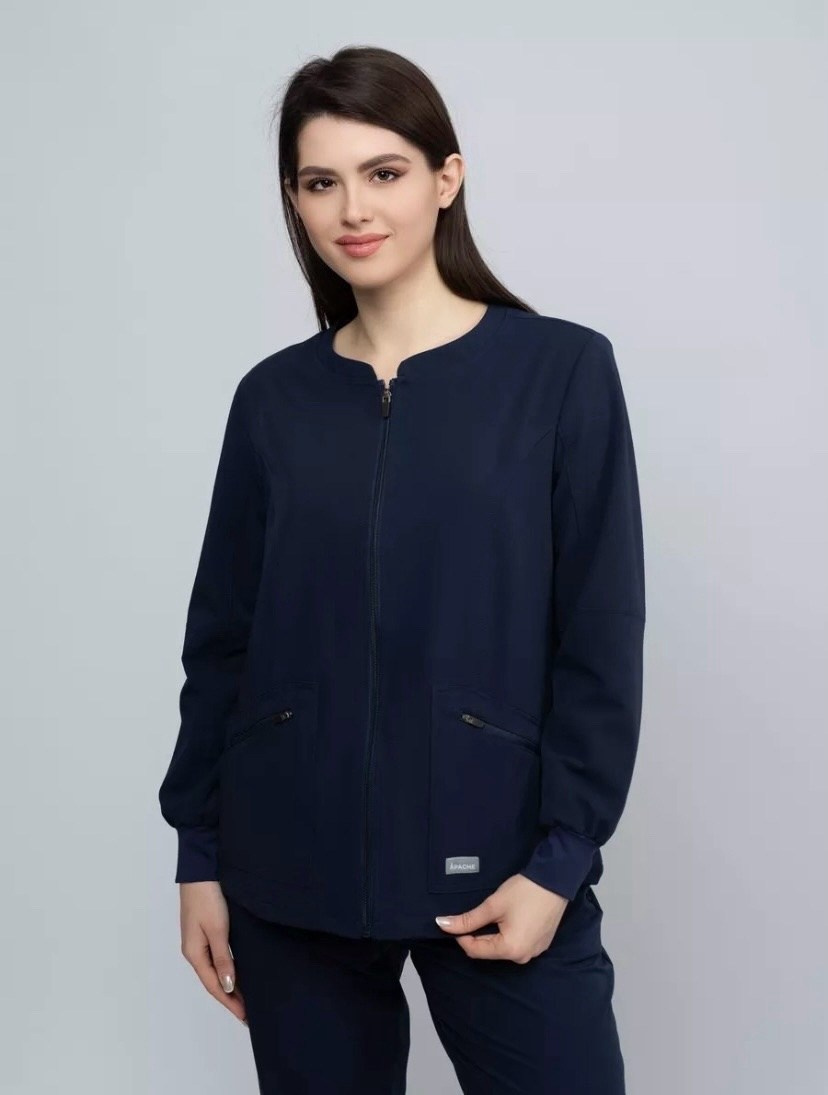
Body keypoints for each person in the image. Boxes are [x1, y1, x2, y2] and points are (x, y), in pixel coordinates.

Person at [158, 44, 645, 1095]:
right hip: (289, 870)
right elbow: (223, 641)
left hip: (500, 864)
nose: (353, 210)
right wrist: (199, 853)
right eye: (319, 182)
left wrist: (560, 863)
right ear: (294, 200)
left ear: (445, 178)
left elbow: (600, 637)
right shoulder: (273, 400)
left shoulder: (560, 373)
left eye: (383, 172)